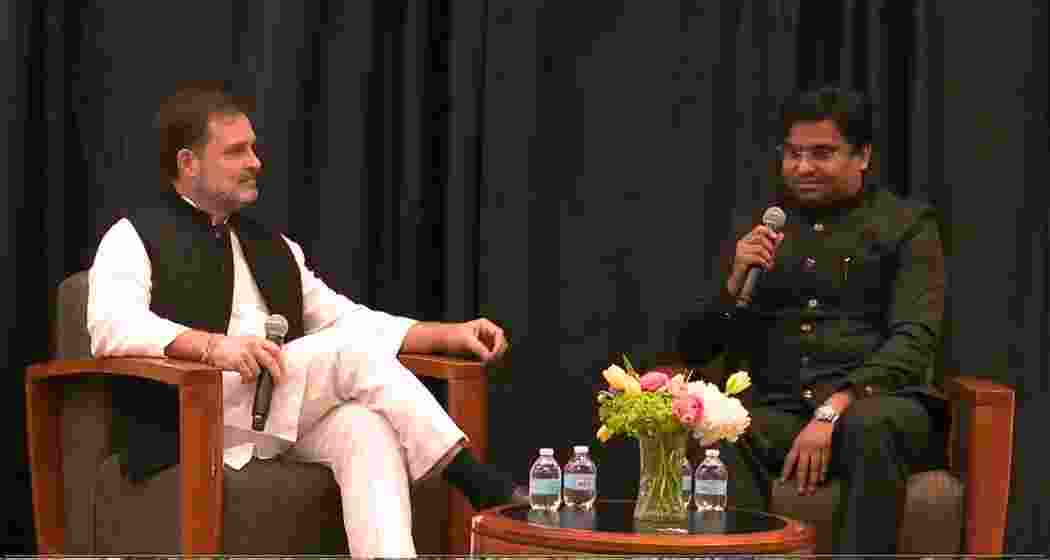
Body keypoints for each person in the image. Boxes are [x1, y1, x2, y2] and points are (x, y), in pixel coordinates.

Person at [86, 83, 522, 557]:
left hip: (275, 412)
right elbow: (113, 326)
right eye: (236, 151)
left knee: (364, 428)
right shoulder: (132, 236)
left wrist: (449, 335)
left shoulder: (272, 245)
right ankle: (477, 480)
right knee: (349, 354)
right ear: (188, 163)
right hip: (191, 417)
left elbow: (344, 319)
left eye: (253, 148)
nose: (255, 161)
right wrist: (213, 347)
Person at [677, 86, 948, 554]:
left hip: (876, 406)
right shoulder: (763, 227)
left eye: (822, 154)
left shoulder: (905, 225)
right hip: (782, 409)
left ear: (862, 156)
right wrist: (734, 284)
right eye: (794, 153)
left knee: (869, 427)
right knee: (727, 430)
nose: (803, 167)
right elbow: (695, 351)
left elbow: (915, 337)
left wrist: (836, 406)